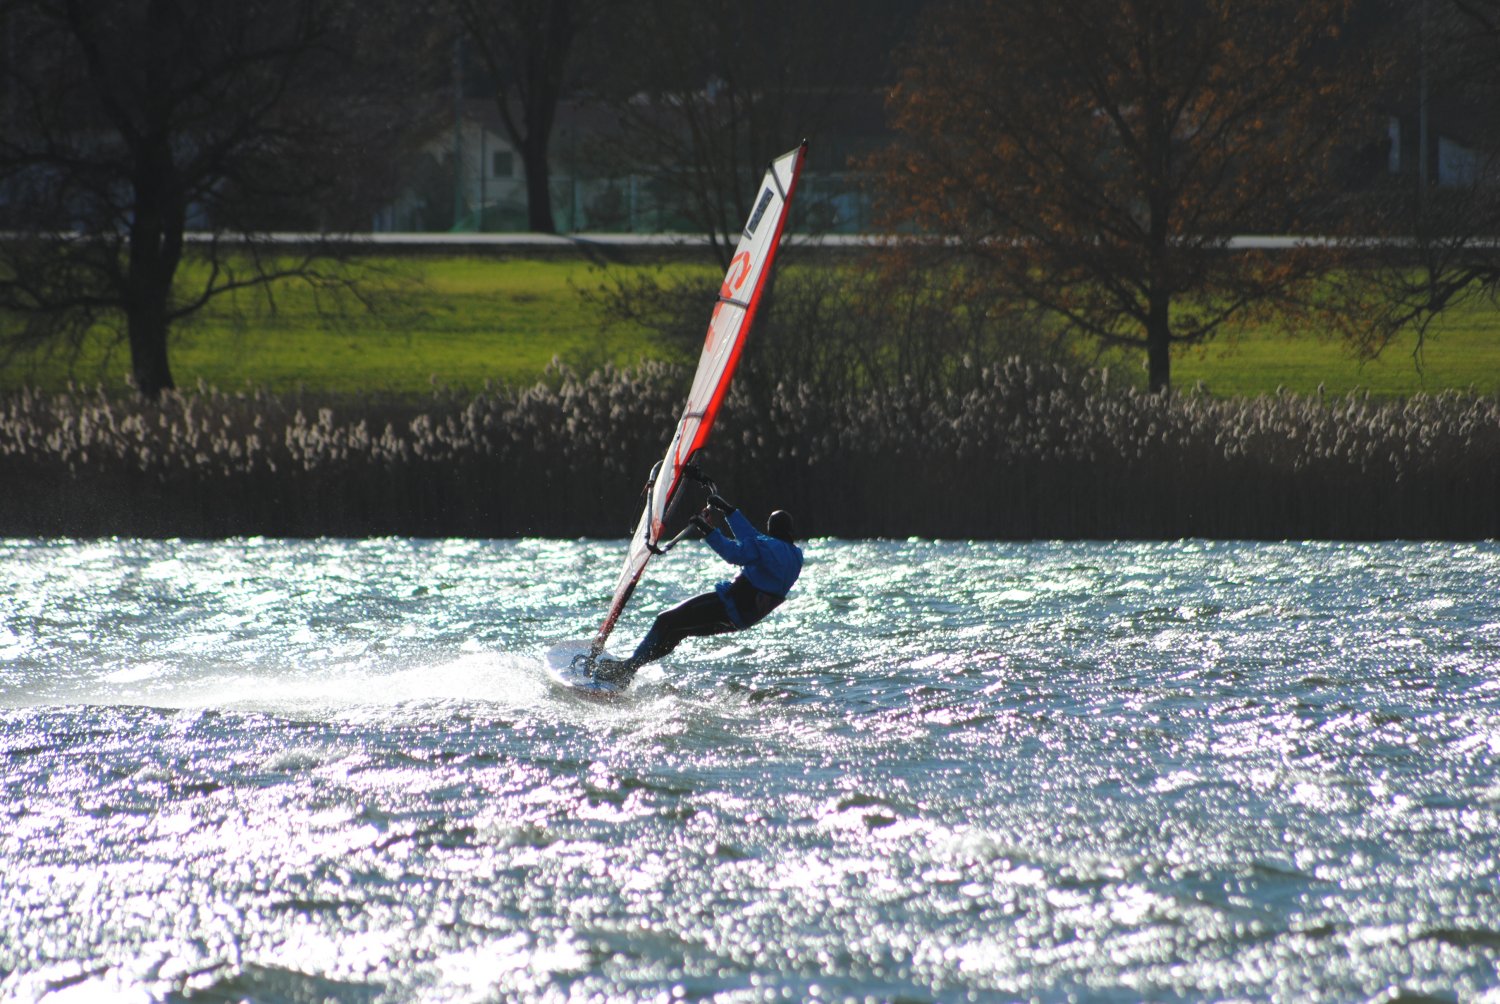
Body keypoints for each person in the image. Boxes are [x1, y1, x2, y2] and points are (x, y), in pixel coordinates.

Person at [593, 493, 803, 686]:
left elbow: (735, 553)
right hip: (740, 619)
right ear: (790, 531)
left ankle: (627, 669)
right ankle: (628, 670)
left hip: (728, 606)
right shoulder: (795, 556)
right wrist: (729, 511)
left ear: (771, 529)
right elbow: (753, 539)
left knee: (665, 621)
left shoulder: (768, 548)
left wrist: (707, 530)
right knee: (676, 631)